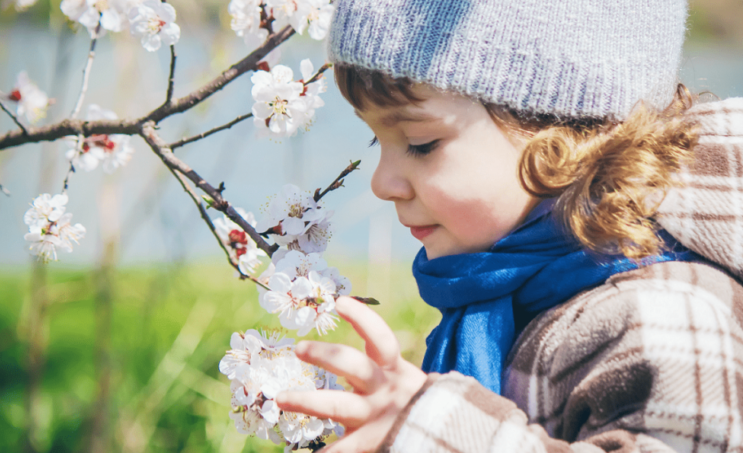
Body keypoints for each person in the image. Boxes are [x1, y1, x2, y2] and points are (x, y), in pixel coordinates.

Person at [276, 0, 743, 451]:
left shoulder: (664, 316)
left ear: (566, 136)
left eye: (421, 143)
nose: (382, 182)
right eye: (376, 137)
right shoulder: (512, 300)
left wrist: (437, 431)